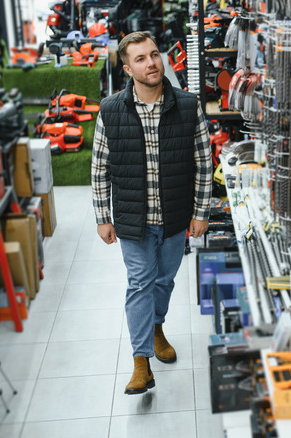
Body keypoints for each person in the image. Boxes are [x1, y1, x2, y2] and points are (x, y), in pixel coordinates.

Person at [91, 31, 212, 395]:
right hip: (133, 220)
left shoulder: (188, 106)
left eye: (154, 55)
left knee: (164, 281)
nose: (151, 63)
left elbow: (204, 163)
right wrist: (102, 216)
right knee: (141, 283)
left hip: (175, 216)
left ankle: (157, 326)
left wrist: (202, 211)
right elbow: (100, 168)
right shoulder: (111, 110)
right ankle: (141, 361)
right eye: (141, 59)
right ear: (128, 69)